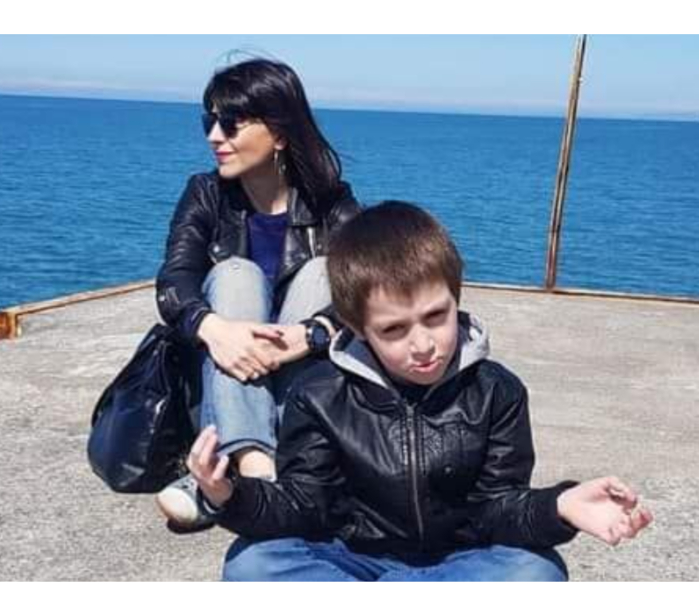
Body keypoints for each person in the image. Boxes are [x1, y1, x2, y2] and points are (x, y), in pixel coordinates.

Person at [187, 202, 653, 581]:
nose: (424, 345)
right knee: (252, 564)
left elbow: (499, 508)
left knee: (538, 573)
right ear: (357, 327)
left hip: (460, 561)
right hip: (350, 559)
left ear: (456, 298)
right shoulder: (319, 395)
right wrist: (227, 494)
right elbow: (302, 505)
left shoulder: (497, 392)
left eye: (436, 317)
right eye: (393, 329)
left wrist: (561, 506)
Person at [154, 58, 360, 530]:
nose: (214, 137)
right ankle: (253, 467)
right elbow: (175, 280)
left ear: (280, 134)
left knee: (323, 272)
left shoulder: (331, 201)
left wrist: (312, 333)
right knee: (236, 275)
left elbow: (372, 286)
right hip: (218, 374)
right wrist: (215, 329)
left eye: (230, 123)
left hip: (301, 377)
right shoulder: (205, 194)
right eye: (209, 122)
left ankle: (228, 482)